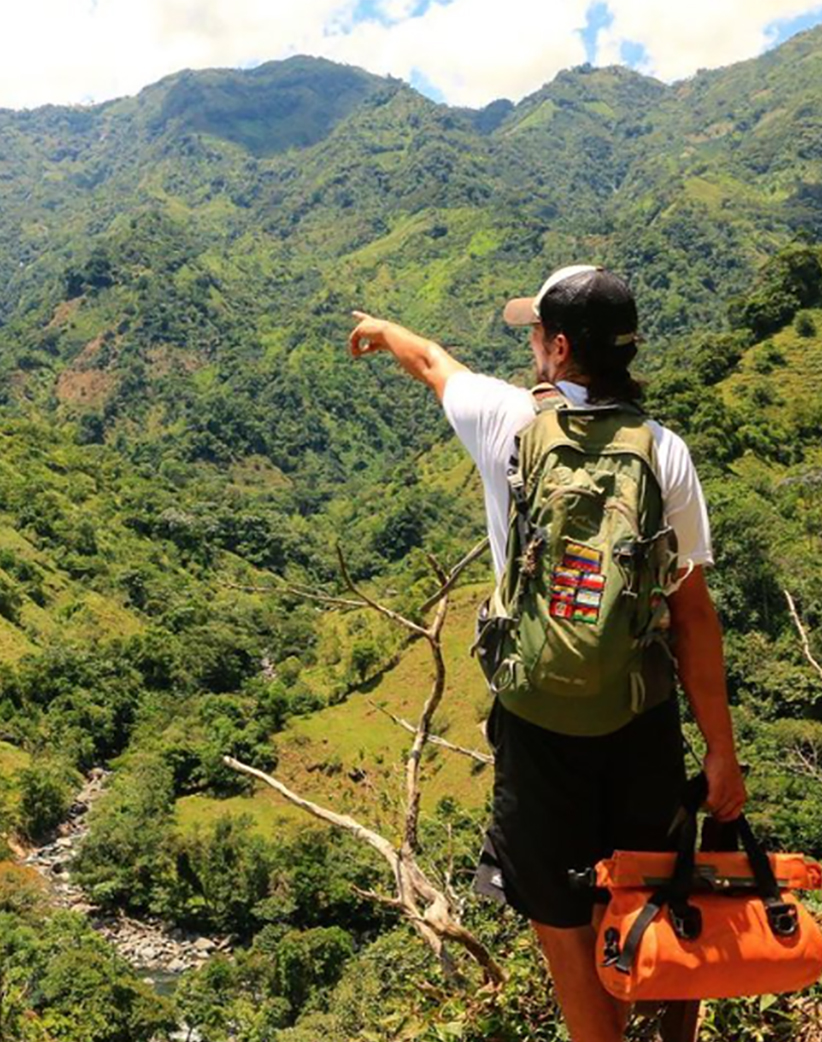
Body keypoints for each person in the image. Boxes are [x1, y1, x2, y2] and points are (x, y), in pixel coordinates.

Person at [348, 264, 747, 1042]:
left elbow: (434, 364)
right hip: (640, 721)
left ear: (559, 350)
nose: (530, 344)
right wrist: (722, 754)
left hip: (538, 725)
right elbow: (694, 617)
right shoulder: (665, 455)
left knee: (565, 925)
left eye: (535, 332)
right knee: (661, 900)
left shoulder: (506, 422)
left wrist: (383, 330)